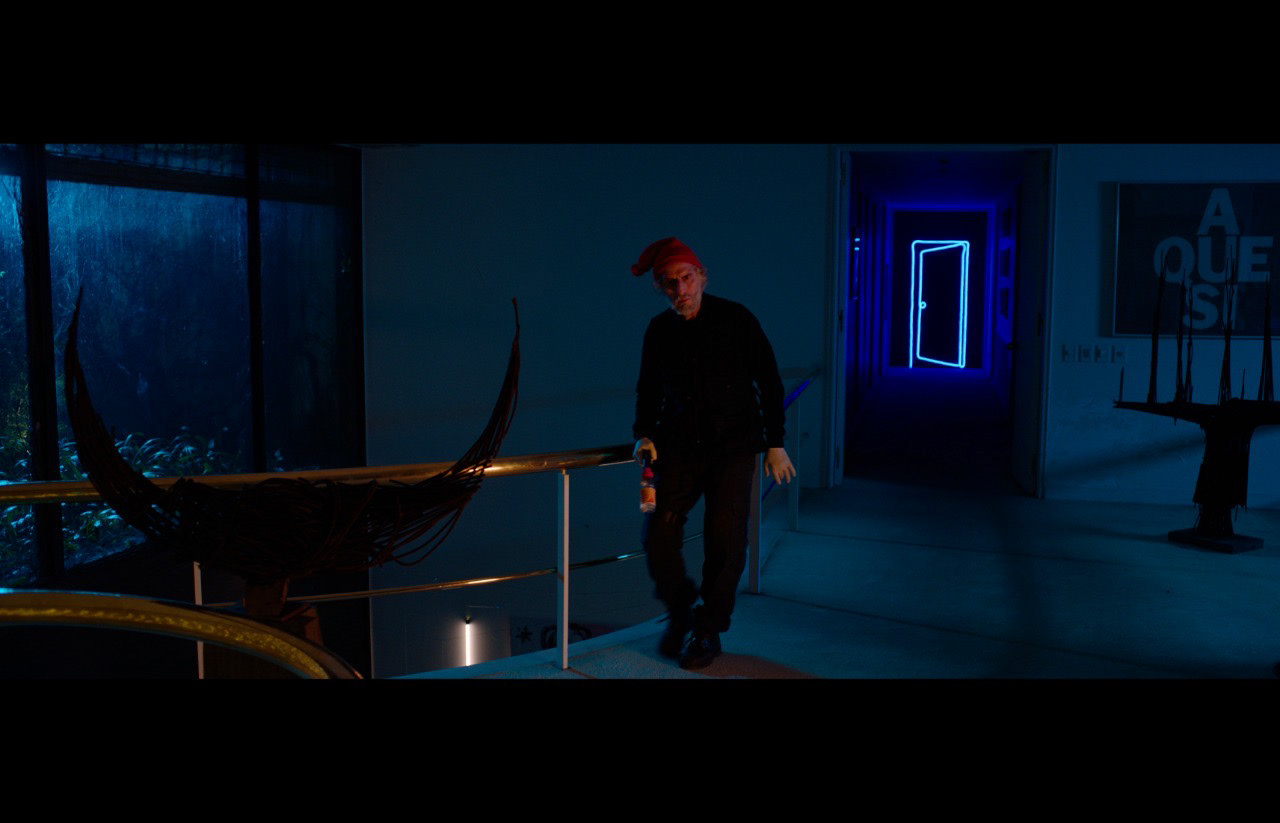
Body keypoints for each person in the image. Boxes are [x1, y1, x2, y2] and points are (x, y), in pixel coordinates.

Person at [631, 236, 795, 669]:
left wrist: (775, 443)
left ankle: (708, 628)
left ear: (702, 276)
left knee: (726, 539)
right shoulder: (659, 330)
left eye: (686, 278)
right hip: (678, 449)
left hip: (733, 448)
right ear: (660, 288)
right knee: (657, 532)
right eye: (670, 283)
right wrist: (643, 433)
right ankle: (681, 609)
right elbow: (648, 388)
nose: (680, 290)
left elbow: (769, 380)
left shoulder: (736, 318)